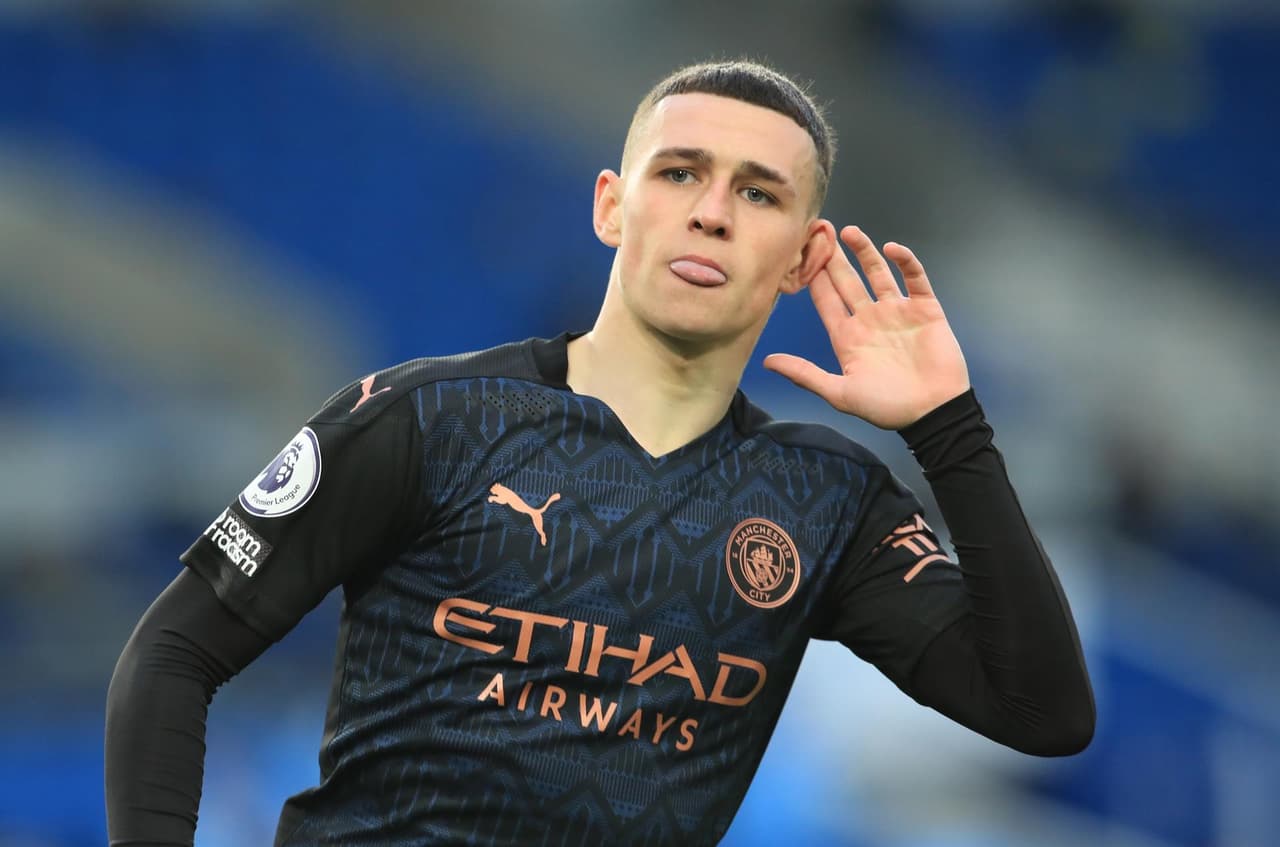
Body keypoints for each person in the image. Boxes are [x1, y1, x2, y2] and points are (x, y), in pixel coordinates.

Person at [105, 60, 1094, 846]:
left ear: (803, 257)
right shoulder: (428, 420)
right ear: (611, 206)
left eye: (758, 193)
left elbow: (1041, 711)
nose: (712, 211)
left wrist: (947, 429)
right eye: (680, 173)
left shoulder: (824, 499)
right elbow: (174, 651)